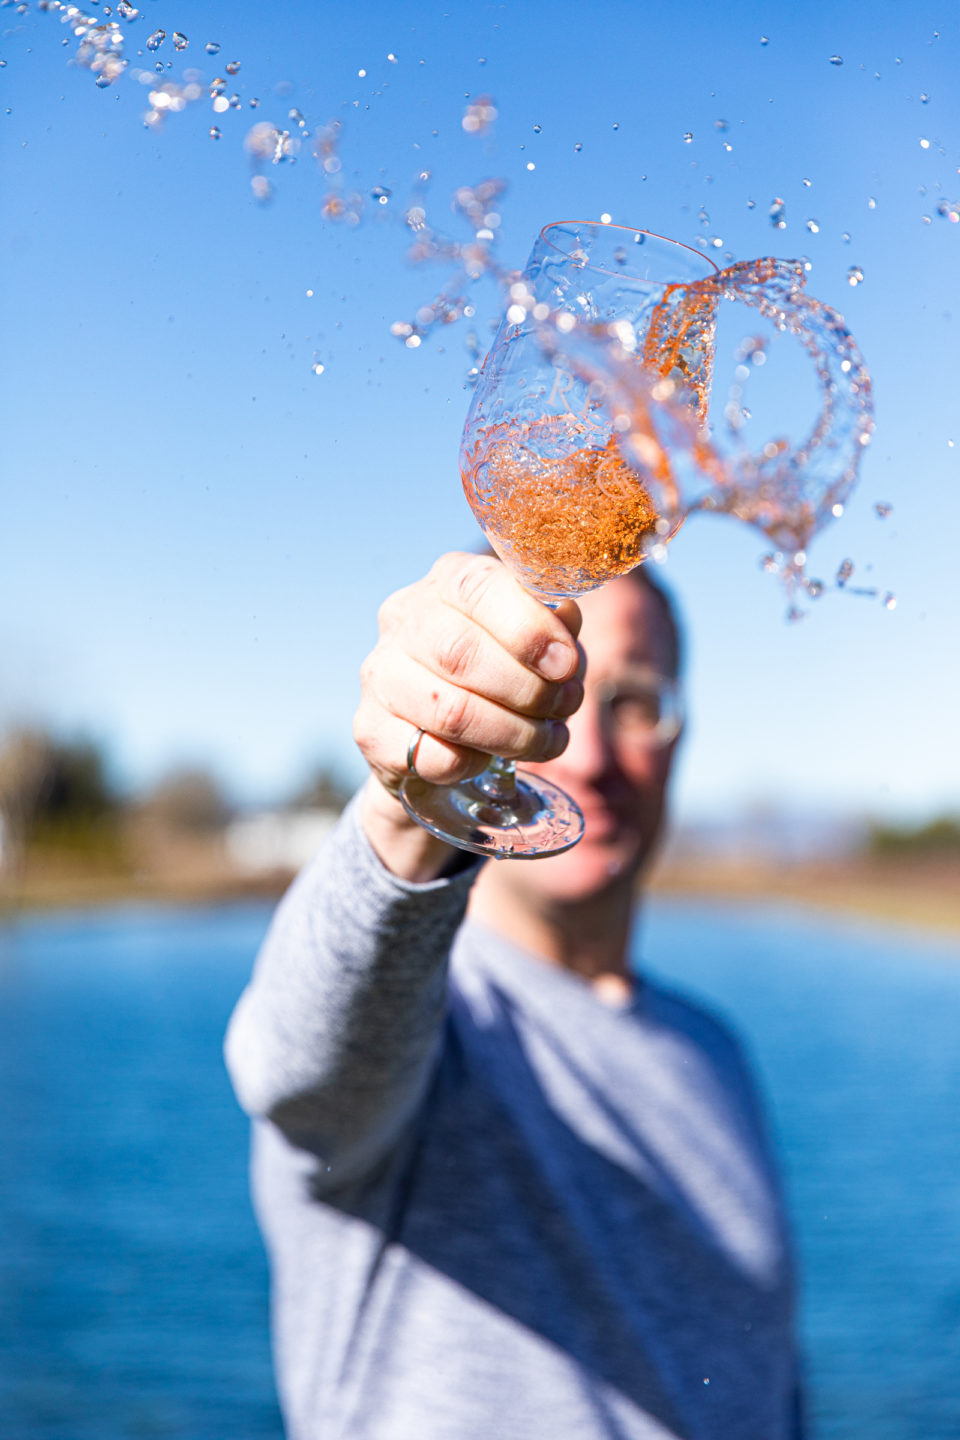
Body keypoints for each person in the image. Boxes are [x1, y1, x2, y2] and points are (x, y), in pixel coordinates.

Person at [225, 551, 804, 1440]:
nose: (598, 754)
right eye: (557, 699)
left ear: (681, 735)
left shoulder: (714, 1049)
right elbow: (300, 1071)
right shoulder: (432, 1025)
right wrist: (411, 800)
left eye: (638, 703)